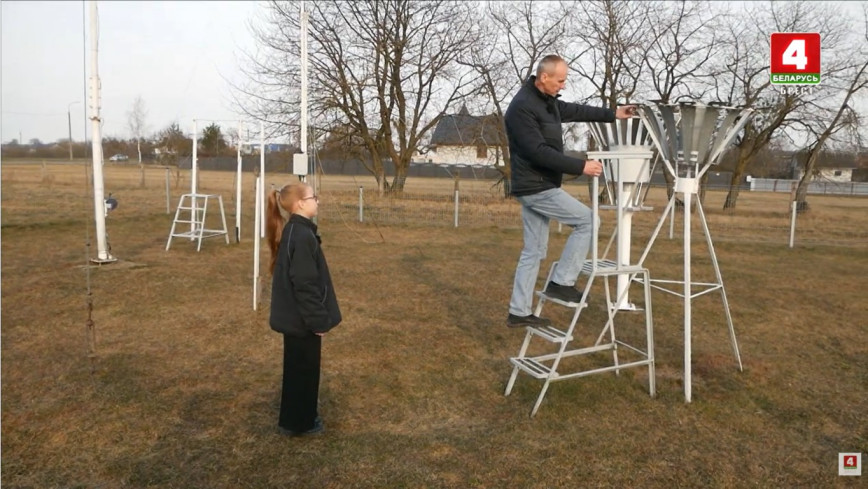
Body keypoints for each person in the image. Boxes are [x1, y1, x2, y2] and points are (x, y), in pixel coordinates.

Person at [504, 54, 635, 328]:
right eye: (560, 81)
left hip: (538, 184)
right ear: (544, 77)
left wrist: (613, 114)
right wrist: (580, 166)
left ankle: (519, 312)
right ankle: (562, 283)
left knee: (534, 251)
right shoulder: (522, 108)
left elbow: (576, 111)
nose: (563, 85)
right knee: (588, 221)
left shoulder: (547, 101)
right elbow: (538, 152)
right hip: (536, 185)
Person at [266, 183, 341, 435]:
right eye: (313, 197)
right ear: (300, 203)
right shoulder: (301, 235)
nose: (317, 201)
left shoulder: (297, 231)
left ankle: (295, 419)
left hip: (297, 319)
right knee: (303, 372)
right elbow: (305, 284)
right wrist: (318, 321)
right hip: (302, 321)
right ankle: (301, 423)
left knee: (298, 370)